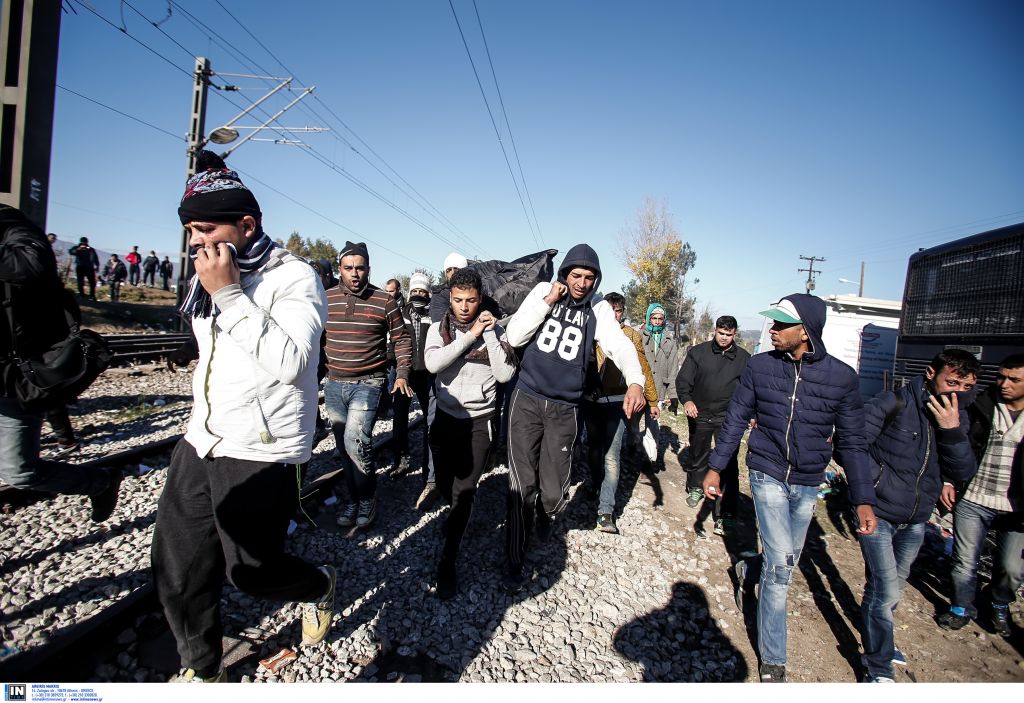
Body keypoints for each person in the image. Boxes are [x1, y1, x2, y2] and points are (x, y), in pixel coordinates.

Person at [150, 152, 335, 683]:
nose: (195, 242)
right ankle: (201, 668)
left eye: (205, 229)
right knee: (177, 568)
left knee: (252, 573)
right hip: (201, 439)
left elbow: (294, 362)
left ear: (247, 225)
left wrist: (229, 294)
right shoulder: (205, 282)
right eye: (189, 230)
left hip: (259, 449)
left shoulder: (292, 277)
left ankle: (316, 585)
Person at [703, 294, 877, 683]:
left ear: (806, 331)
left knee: (785, 561)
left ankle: (749, 570)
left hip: (807, 481)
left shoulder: (842, 378)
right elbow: (736, 417)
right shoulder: (760, 367)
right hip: (766, 471)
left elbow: (852, 443)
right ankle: (774, 659)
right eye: (773, 323)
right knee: (782, 566)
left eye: (782, 324)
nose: (773, 329)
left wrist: (863, 498)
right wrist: (716, 467)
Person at [502, 244, 646, 592]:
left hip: (566, 409)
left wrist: (636, 381)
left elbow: (620, 345)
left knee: (553, 491)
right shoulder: (542, 292)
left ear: (597, 281)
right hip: (528, 398)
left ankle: (543, 511)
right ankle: (512, 558)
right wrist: (547, 300)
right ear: (564, 274)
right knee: (521, 483)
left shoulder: (598, 309)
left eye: (589, 277)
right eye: (576, 275)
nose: (582, 283)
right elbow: (514, 335)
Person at [857, 349, 978, 682]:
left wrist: (951, 431)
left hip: (916, 521)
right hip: (879, 513)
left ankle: (878, 640)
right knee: (885, 590)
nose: (957, 392)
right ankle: (878, 667)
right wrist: (876, 482)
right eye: (951, 382)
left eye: (966, 386)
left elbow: (964, 469)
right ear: (930, 373)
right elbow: (852, 443)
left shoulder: (959, 416)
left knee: (889, 587)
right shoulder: (894, 402)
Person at [0, 205, 121, 525]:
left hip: (13, 379)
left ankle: (99, 482)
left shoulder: (13, 228)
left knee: (19, 471)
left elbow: (32, 265)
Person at [424, 268, 517, 598]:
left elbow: (505, 373)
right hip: (447, 420)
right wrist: (468, 335)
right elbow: (433, 364)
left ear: (480, 299)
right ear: (451, 298)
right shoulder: (441, 328)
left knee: (465, 490)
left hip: (480, 422)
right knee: (449, 485)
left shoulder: (497, 329)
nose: (465, 307)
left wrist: (489, 334)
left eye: (472, 301)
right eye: (459, 300)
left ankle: (447, 563)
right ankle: (454, 517)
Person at [324, 241, 412, 529]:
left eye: (360, 268)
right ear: (340, 269)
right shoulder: (325, 299)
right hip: (335, 384)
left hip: (368, 382)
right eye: (348, 268)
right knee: (342, 445)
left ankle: (367, 498)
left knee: (355, 441)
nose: (354, 273)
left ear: (368, 269)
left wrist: (401, 374)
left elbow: (401, 338)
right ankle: (353, 498)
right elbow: (315, 339)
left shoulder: (383, 301)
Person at [937, 353, 1024, 637]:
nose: (1004, 384)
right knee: (964, 561)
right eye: (1001, 377)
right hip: (974, 498)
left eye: (1014, 379)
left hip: (1016, 507)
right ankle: (961, 606)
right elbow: (958, 443)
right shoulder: (980, 405)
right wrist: (948, 480)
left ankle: (999, 602)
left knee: (1011, 568)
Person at [583, 292, 658, 534]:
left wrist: (652, 399)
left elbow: (642, 366)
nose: (614, 316)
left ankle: (606, 511)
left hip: (618, 402)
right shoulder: (592, 328)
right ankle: (595, 483)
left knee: (611, 456)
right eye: (610, 311)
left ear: (622, 312)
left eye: (617, 311)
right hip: (591, 401)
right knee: (594, 449)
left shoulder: (631, 336)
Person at [675, 315, 751, 533]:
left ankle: (725, 512)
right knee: (699, 454)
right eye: (721, 333)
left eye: (729, 334)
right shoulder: (698, 353)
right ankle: (696, 487)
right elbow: (683, 381)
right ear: (714, 331)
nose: (724, 338)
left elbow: (749, 389)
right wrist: (687, 400)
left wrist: (750, 414)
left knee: (727, 463)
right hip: (699, 413)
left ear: (734, 334)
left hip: (728, 419)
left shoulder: (744, 359)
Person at [392, 273, 437, 496]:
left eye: (423, 292)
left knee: (431, 420)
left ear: (428, 294)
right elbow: (393, 340)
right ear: (410, 293)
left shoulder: (434, 315)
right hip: (404, 375)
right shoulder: (401, 314)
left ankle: (429, 468)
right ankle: (401, 457)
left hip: (427, 375)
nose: (419, 295)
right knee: (399, 418)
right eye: (415, 291)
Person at [639, 302, 682, 469]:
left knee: (653, 427)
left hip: (658, 391)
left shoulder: (669, 341)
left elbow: (673, 369)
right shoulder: (640, 336)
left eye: (660, 318)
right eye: (654, 318)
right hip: (640, 388)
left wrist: (673, 395)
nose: (657, 321)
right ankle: (631, 454)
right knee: (633, 426)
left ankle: (648, 462)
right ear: (649, 318)